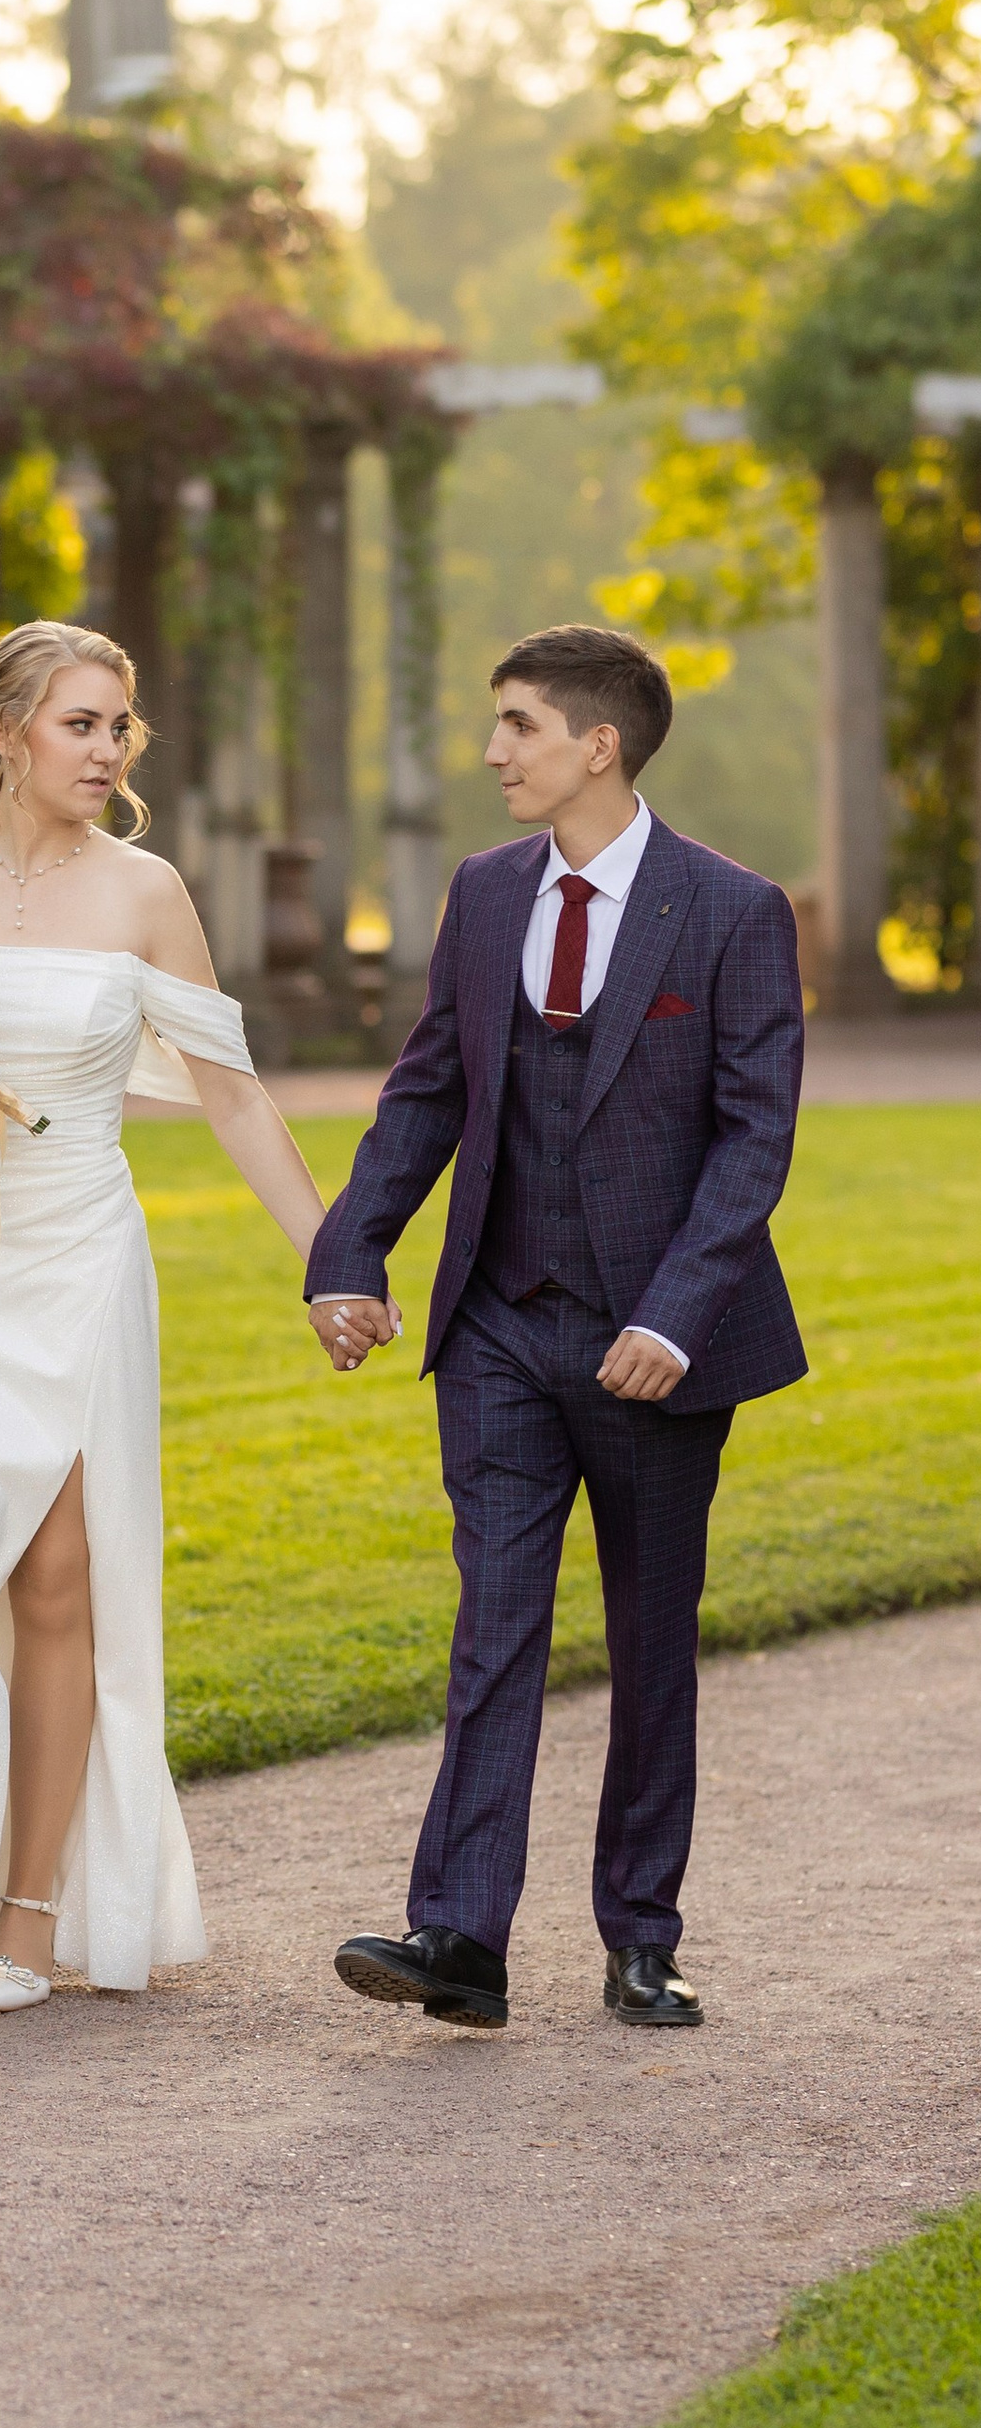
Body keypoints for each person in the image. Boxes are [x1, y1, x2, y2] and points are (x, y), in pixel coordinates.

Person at [0, 620, 336, 2015]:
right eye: (83, 724)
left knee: (54, 1587)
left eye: (120, 728)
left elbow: (233, 1093)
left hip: (79, 1259)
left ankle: (28, 1920)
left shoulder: (149, 894)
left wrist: (332, 1258)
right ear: (7, 732)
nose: (108, 750)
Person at [309, 624, 806, 2033]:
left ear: (598, 743)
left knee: (651, 1644)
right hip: (501, 1332)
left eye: (518, 725)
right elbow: (426, 1094)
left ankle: (641, 1934)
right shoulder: (482, 893)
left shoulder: (730, 911)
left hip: (656, 1343)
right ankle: (459, 1938)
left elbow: (752, 1141)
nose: (493, 752)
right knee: (495, 1628)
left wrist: (674, 1315)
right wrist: (348, 1255)